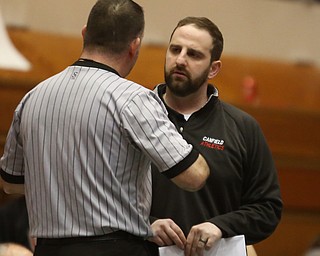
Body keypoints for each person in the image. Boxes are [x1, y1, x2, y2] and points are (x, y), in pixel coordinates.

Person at [0, 2, 211, 256]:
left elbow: (10, 183)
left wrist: (67, 184)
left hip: (48, 249)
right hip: (115, 250)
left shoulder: (32, 98)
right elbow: (193, 177)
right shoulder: (133, 99)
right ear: (134, 46)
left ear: (84, 33)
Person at [149, 16, 283, 256]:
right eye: (175, 49)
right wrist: (144, 224)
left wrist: (221, 226)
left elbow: (267, 209)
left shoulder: (243, 127)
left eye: (194, 54)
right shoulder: (133, 116)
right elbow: (103, 197)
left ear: (214, 68)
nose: (180, 60)